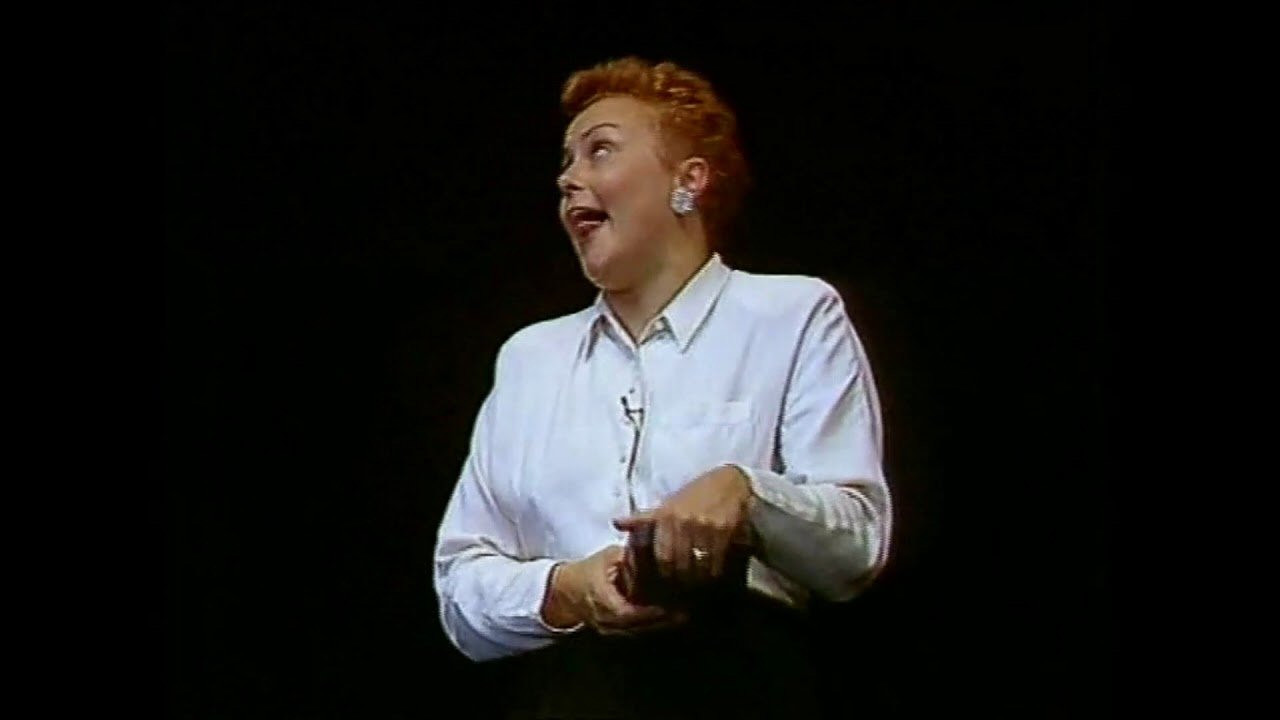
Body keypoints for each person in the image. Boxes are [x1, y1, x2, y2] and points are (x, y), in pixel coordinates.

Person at [433, 56, 892, 718]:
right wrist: (567, 587)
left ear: (689, 182)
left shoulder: (792, 315)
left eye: (600, 152)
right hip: (573, 693)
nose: (568, 179)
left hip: (743, 685)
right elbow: (460, 588)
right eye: (566, 161)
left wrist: (746, 493)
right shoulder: (530, 358)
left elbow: (857, 548)